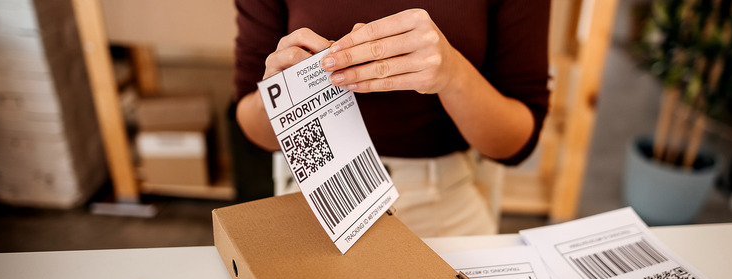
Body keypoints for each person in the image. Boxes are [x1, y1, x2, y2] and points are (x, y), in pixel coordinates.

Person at [234, 1, 550, 237]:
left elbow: (517, 142)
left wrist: (453, 75)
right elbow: (252, 125)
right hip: (312, 198)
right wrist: (278, 96)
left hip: (445, 202)